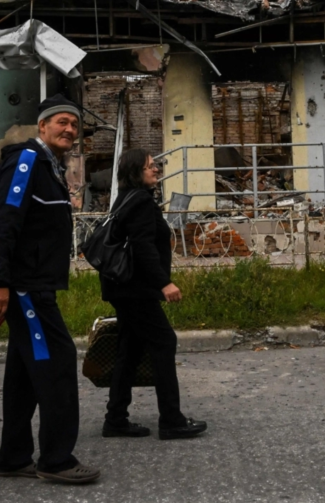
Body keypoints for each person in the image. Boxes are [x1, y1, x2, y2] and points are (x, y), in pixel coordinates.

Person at [0, 94, 100, 484]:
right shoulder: (28, 160)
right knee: (57, 365)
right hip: (25, 288)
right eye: (61, 122)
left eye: (74, 124)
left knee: (23, 372)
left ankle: (14, 457)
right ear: (43, 127)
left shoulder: (50, 166)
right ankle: (56, 460)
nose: (69, 129)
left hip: (34, 285)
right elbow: (4, 221)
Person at [99, 148, 208, 441]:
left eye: (156, 165)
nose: (156, 170)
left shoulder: (126, 199)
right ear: (136, 172)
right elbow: (142, 247)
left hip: (123, 287)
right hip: (135, 289)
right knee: (164, 341)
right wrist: (164, 283)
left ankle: (116, 419)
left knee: (130, 349)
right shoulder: (141, 203)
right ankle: (171, 420)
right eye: (150, 167)